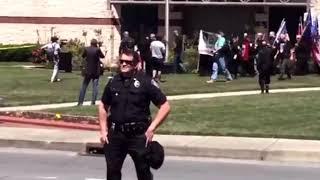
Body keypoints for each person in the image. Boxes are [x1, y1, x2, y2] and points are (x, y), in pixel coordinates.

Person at [98, 49, 171, 180]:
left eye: (128, 62)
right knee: (112, 172)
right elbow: (103, 106)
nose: (124, 64)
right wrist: (103, 131)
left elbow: (165, 106)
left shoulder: (146, 82)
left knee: (143, 173)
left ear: (137, 64)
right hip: (116, 135)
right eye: (121, 61)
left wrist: (152, 128)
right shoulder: (113, 82)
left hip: (138, 135)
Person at [77, 39, 105, 106]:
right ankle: (93, 102)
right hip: (95, 71)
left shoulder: (86, 49)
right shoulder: (97, 49)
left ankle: (80, 102)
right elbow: (102, 56)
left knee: (84, 86)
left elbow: (83, 56)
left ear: (90, 43)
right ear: (96, 44)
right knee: (95, 87)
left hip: (88, 70)